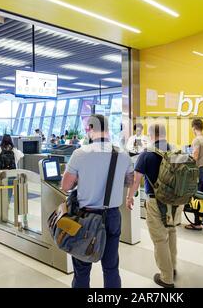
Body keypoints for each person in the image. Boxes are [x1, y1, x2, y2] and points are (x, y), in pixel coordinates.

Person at [61, 114, 133, 288]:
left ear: (90, 129)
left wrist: (82, 179)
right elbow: (130, 181)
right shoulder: (122, 154)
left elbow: (65, 186)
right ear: (108, 130)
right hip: (112, 215)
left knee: (82, 268)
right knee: (110, 267)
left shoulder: (79, 154)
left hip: (85, 217)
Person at [126, 123, 181, 288]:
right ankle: (173, 267)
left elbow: (136, 179)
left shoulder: (147, 154)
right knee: (171, 232)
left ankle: (166, 277)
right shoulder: (174, 150)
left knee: (159, 239)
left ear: (150, 135)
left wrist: (130, 197)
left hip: (155, 201)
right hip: (174, 201)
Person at [185, 119, 203, 230]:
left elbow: (195, 157)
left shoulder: (196, 140)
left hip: (198, 170)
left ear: (194, 128)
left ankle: (197, 223)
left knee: (197, 196)